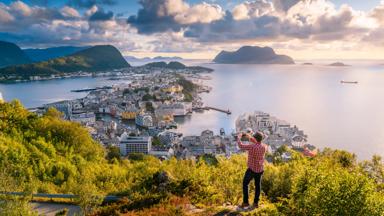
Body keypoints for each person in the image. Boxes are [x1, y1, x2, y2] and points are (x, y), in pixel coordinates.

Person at [237, 131, 268, 209]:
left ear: (255, 138)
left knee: (245, 184)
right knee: (257, 186)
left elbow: (241, 146)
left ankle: (245, 202)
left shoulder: (251, 147)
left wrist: (239, 138)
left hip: (251, 169)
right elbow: (256, 141)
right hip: (260, 169)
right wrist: (249, 136)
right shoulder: (264, 146)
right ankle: (255, 203)